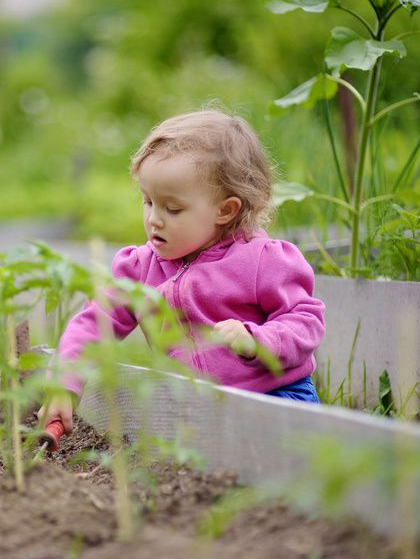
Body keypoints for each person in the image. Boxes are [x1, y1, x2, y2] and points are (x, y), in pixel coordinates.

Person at [38, 109, 325, 434]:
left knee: (288, 466)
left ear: (225, 210)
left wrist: (259, 339)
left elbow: (305, 320)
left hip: (276, 394)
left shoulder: (263, 260)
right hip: (196, 407)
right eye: (148, 202)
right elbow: (94, 322)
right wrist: (65, 382)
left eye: (172, 209)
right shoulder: (139, 269)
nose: (154, 219)